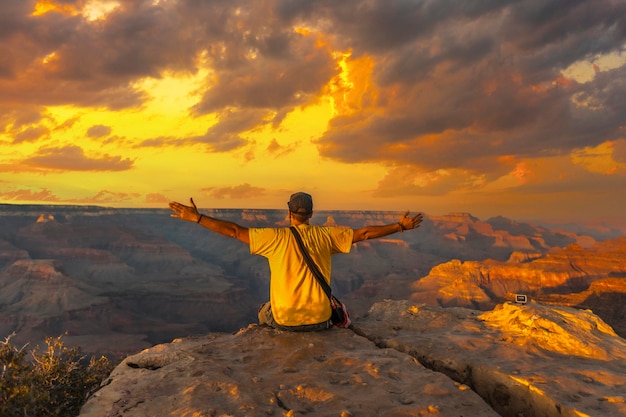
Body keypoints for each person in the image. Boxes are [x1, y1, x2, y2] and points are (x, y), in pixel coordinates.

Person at [169, 192, 423, 331]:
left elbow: (235, 231)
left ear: (288, 212)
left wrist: (198, 218)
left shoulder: (274, 238)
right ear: (311, 214)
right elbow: (365, 233)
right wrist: (400, 226)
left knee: (264, 308)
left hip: (285, 323)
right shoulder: (327, 236)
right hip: (320, 322)